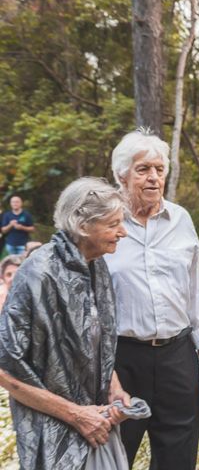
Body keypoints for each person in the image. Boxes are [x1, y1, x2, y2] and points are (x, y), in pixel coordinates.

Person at [104, 129, 199, 470]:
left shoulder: (181, 220)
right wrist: (105, 372)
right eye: (143, 169)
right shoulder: (104, 223)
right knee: (114, 452)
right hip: (121, 357)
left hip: (177, 356)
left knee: (179, 456)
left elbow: (194, 294)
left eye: (159, 169)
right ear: (122, 175)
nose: (154, 177)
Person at [0, 177, 131, 469]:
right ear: (82, 225)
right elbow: (5, 367)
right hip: (54, 431)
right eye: (113, 224)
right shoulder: (39, 273)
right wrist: (75, 414)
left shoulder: (97, 265)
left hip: (95, 424)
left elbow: (95, 342)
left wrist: (114, 388)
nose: (122, 232)